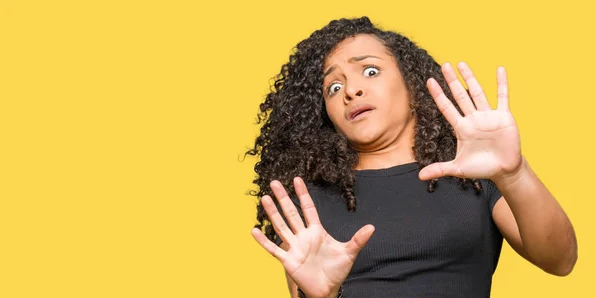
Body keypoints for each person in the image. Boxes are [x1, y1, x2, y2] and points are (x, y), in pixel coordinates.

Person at [246, 16, 577, 298]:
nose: (350, 91)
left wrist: (514, 174)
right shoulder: (307, 204)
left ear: (412, 83)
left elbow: (560, 261)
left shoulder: (475, 172)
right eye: (333, 87)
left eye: (370, 71)